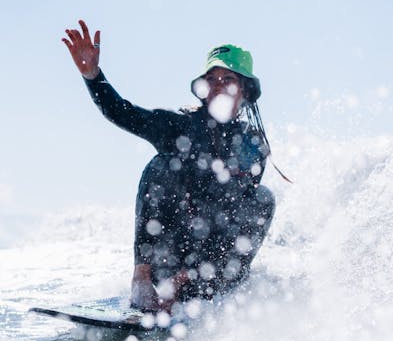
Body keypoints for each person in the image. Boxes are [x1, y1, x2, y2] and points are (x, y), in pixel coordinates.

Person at [62, 20, 275, 312]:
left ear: (246, 90)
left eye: (228, 79)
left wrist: (188, 277)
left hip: (214, 274)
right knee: (160, 166)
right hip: (170, 260)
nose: (218, 86)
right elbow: (124, 113)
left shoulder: (254, 147)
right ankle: (141, 279)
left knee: (263, 198)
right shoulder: (181, 127)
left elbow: (238, 223)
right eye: (212, 79)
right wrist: (93, 76)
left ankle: (189, 291)